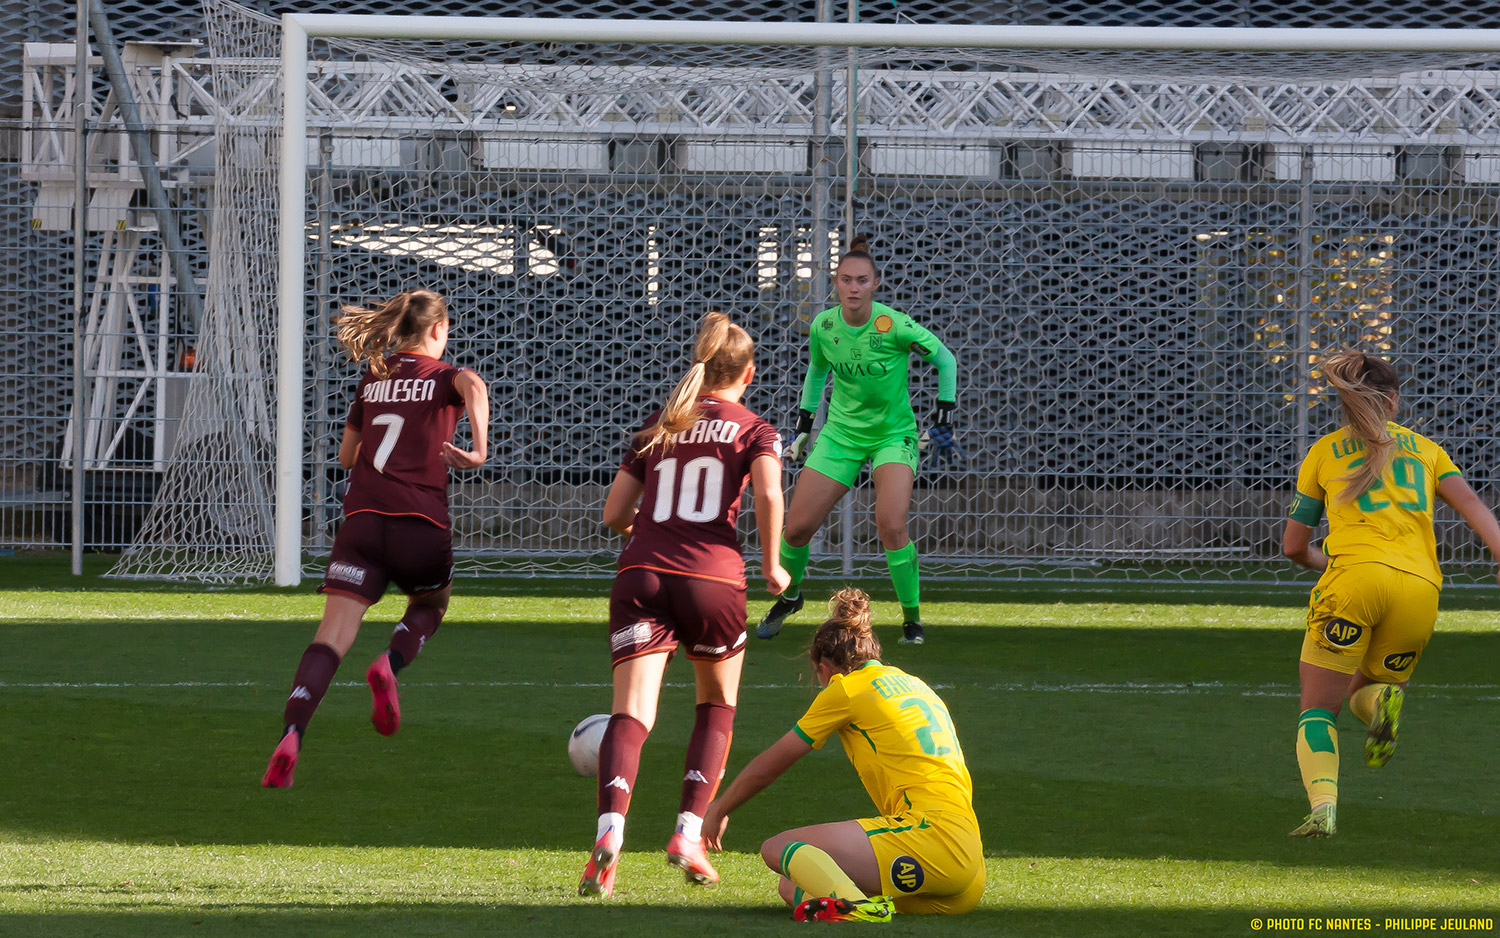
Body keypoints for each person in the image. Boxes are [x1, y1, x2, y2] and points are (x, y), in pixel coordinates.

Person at [578, 311, 790, 898]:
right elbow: (770, 491)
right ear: (748, 373)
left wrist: (650, 538)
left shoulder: (659, 424)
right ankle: (688, 834)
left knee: (631, 713)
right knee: (716, 703)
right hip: (712, 578)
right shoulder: (755, 429)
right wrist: (773, 564)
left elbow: (613, 515)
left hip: (642, 573)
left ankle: (610, 832)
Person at [261, 289, 489, 788]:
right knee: (432, 604)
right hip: (419, 523)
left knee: (330, 637)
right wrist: (477, 447)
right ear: (436, 331)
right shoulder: (443, 376)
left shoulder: (374, 378)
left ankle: (293, 733)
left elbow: (347, 458)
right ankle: (389, 662)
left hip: (362, 524)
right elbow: (471, 381)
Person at [1280, 349, 1500, 837]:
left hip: (1355, 580)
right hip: (1421, 590)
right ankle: (1381, 704)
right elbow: (1473, 506)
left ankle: (1323, 807)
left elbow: (1293, 545)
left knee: (1318, 708)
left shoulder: (1323, 452)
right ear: (1394, 401)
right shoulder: (1426, 450)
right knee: (1372, 687)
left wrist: (1326, 563)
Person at [703, 587, 984, 922]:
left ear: (825, 668)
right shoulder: (916, 684)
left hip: (926, 839)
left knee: (777, 848)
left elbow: (769, 766)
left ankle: (861, 913)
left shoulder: (846, 688)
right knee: (792, 886)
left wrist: (719, 808)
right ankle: (863, 905)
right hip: (967, 866)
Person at [756, 236, 958, 646]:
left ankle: (912, 621)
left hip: (892, 436)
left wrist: (943, 415)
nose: (853, 287)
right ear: (835, 283)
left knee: (892, 525)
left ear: (875, 284)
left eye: (862, 280)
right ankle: (791, 598)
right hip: (841, 436)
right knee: (795, 530)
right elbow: (816, 374)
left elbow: (945, 359)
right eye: (846, 279)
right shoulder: (824, 326)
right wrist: (803, 428)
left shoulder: (894, 325)